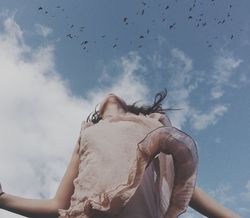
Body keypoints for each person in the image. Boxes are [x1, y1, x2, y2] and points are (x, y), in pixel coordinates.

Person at [0, 90, 240, 218]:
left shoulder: (150, 125)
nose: (111, 93)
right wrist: (3, 198)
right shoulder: (87, 134)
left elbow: (182, 185)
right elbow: (58, 206)